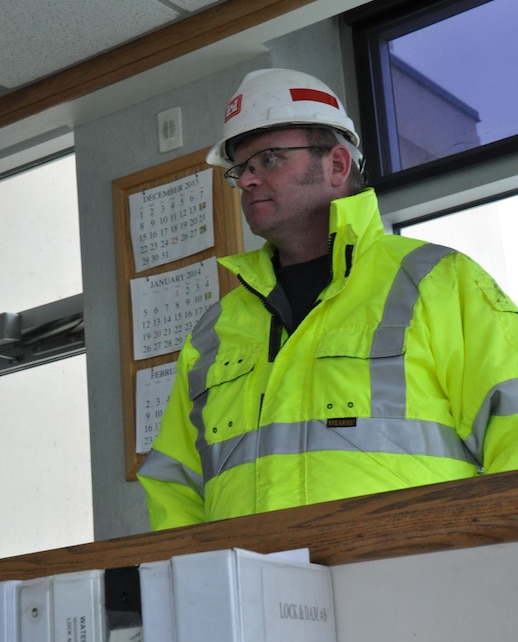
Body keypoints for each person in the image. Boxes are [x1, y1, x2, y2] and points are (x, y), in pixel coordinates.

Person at [138, 67, 518, 530]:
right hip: (254, 594)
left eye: (270, 159)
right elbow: (175, 485)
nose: (248, 181)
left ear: (337, 165)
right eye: (241, 169)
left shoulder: (439, 281)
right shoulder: (215, 330)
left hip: (415, 587)